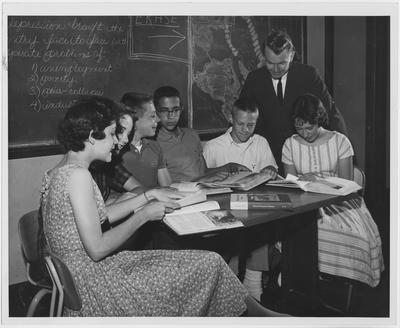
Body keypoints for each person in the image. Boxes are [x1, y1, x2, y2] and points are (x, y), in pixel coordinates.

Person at [39, 96, 285, 317]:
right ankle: (255, 315)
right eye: (113, 133)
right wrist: (144, 215)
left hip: (81, 276)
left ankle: (252, 312)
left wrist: (147, 196)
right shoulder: (79, 177)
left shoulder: (60, 172)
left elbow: (100, 216)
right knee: (207, 264)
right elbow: (97, 249)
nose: (117, 142)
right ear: (93, 136)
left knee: (205, 262)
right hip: (96, 284)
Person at [282, 93, 384, 287]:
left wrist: (318, 179)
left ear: (319, 120)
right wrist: (301, 183)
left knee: (353, 236)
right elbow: (292, 182)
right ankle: (303, 279)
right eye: (299, 127)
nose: (305, 133)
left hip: (339, 201)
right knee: (297, 233)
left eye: (309, 127)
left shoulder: (340, 141)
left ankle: (340, 280)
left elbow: (345, 183)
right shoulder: (290, 144)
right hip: (304, 202)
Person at [203, 97, 278, 301]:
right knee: (233, 228)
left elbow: (269, 169)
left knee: (261, 223)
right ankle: (232, 283)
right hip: (224, 205)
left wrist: (269, 171)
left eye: (251, 125)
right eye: (240, 124)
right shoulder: (213, 146)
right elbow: (204, 180)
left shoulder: (261, 142)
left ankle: (253, 283)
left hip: (253, 203)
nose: (245, 129)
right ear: (231, 119)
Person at [240, 29, 348, 171]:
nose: (276, 69)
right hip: (267, 160)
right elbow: (242, 116)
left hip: (304, 157)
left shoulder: (308, 75)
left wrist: (345, 152)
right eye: (270, 63)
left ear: (291, 55)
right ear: (264, 57)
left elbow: (330, 114)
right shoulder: (254, 79)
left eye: (282, 63)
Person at [112, 92, 172, 191]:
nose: (158, 120)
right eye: (152, 116)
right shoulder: (116, 150)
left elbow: (167, 187)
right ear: (135, 120)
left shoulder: (155, 147)